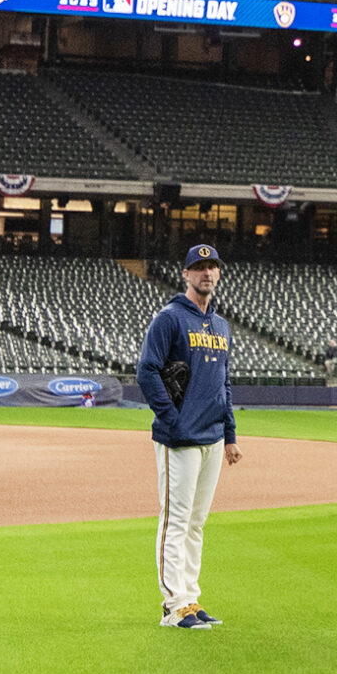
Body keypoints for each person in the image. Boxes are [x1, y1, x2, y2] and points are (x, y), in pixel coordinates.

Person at [138, 243, 240, 630]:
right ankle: (172, 605)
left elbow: (223, 384)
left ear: (219, 274)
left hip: (213, 437)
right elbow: (147, 371)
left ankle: (190, 599)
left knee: (196, 522)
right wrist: (172, 419)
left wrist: (230, 434)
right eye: (199, 267)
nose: (207, 273)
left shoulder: (221, 326)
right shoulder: (169, 319)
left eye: (212, 266)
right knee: (175, 521)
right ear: (185, 274)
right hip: (178, 439)